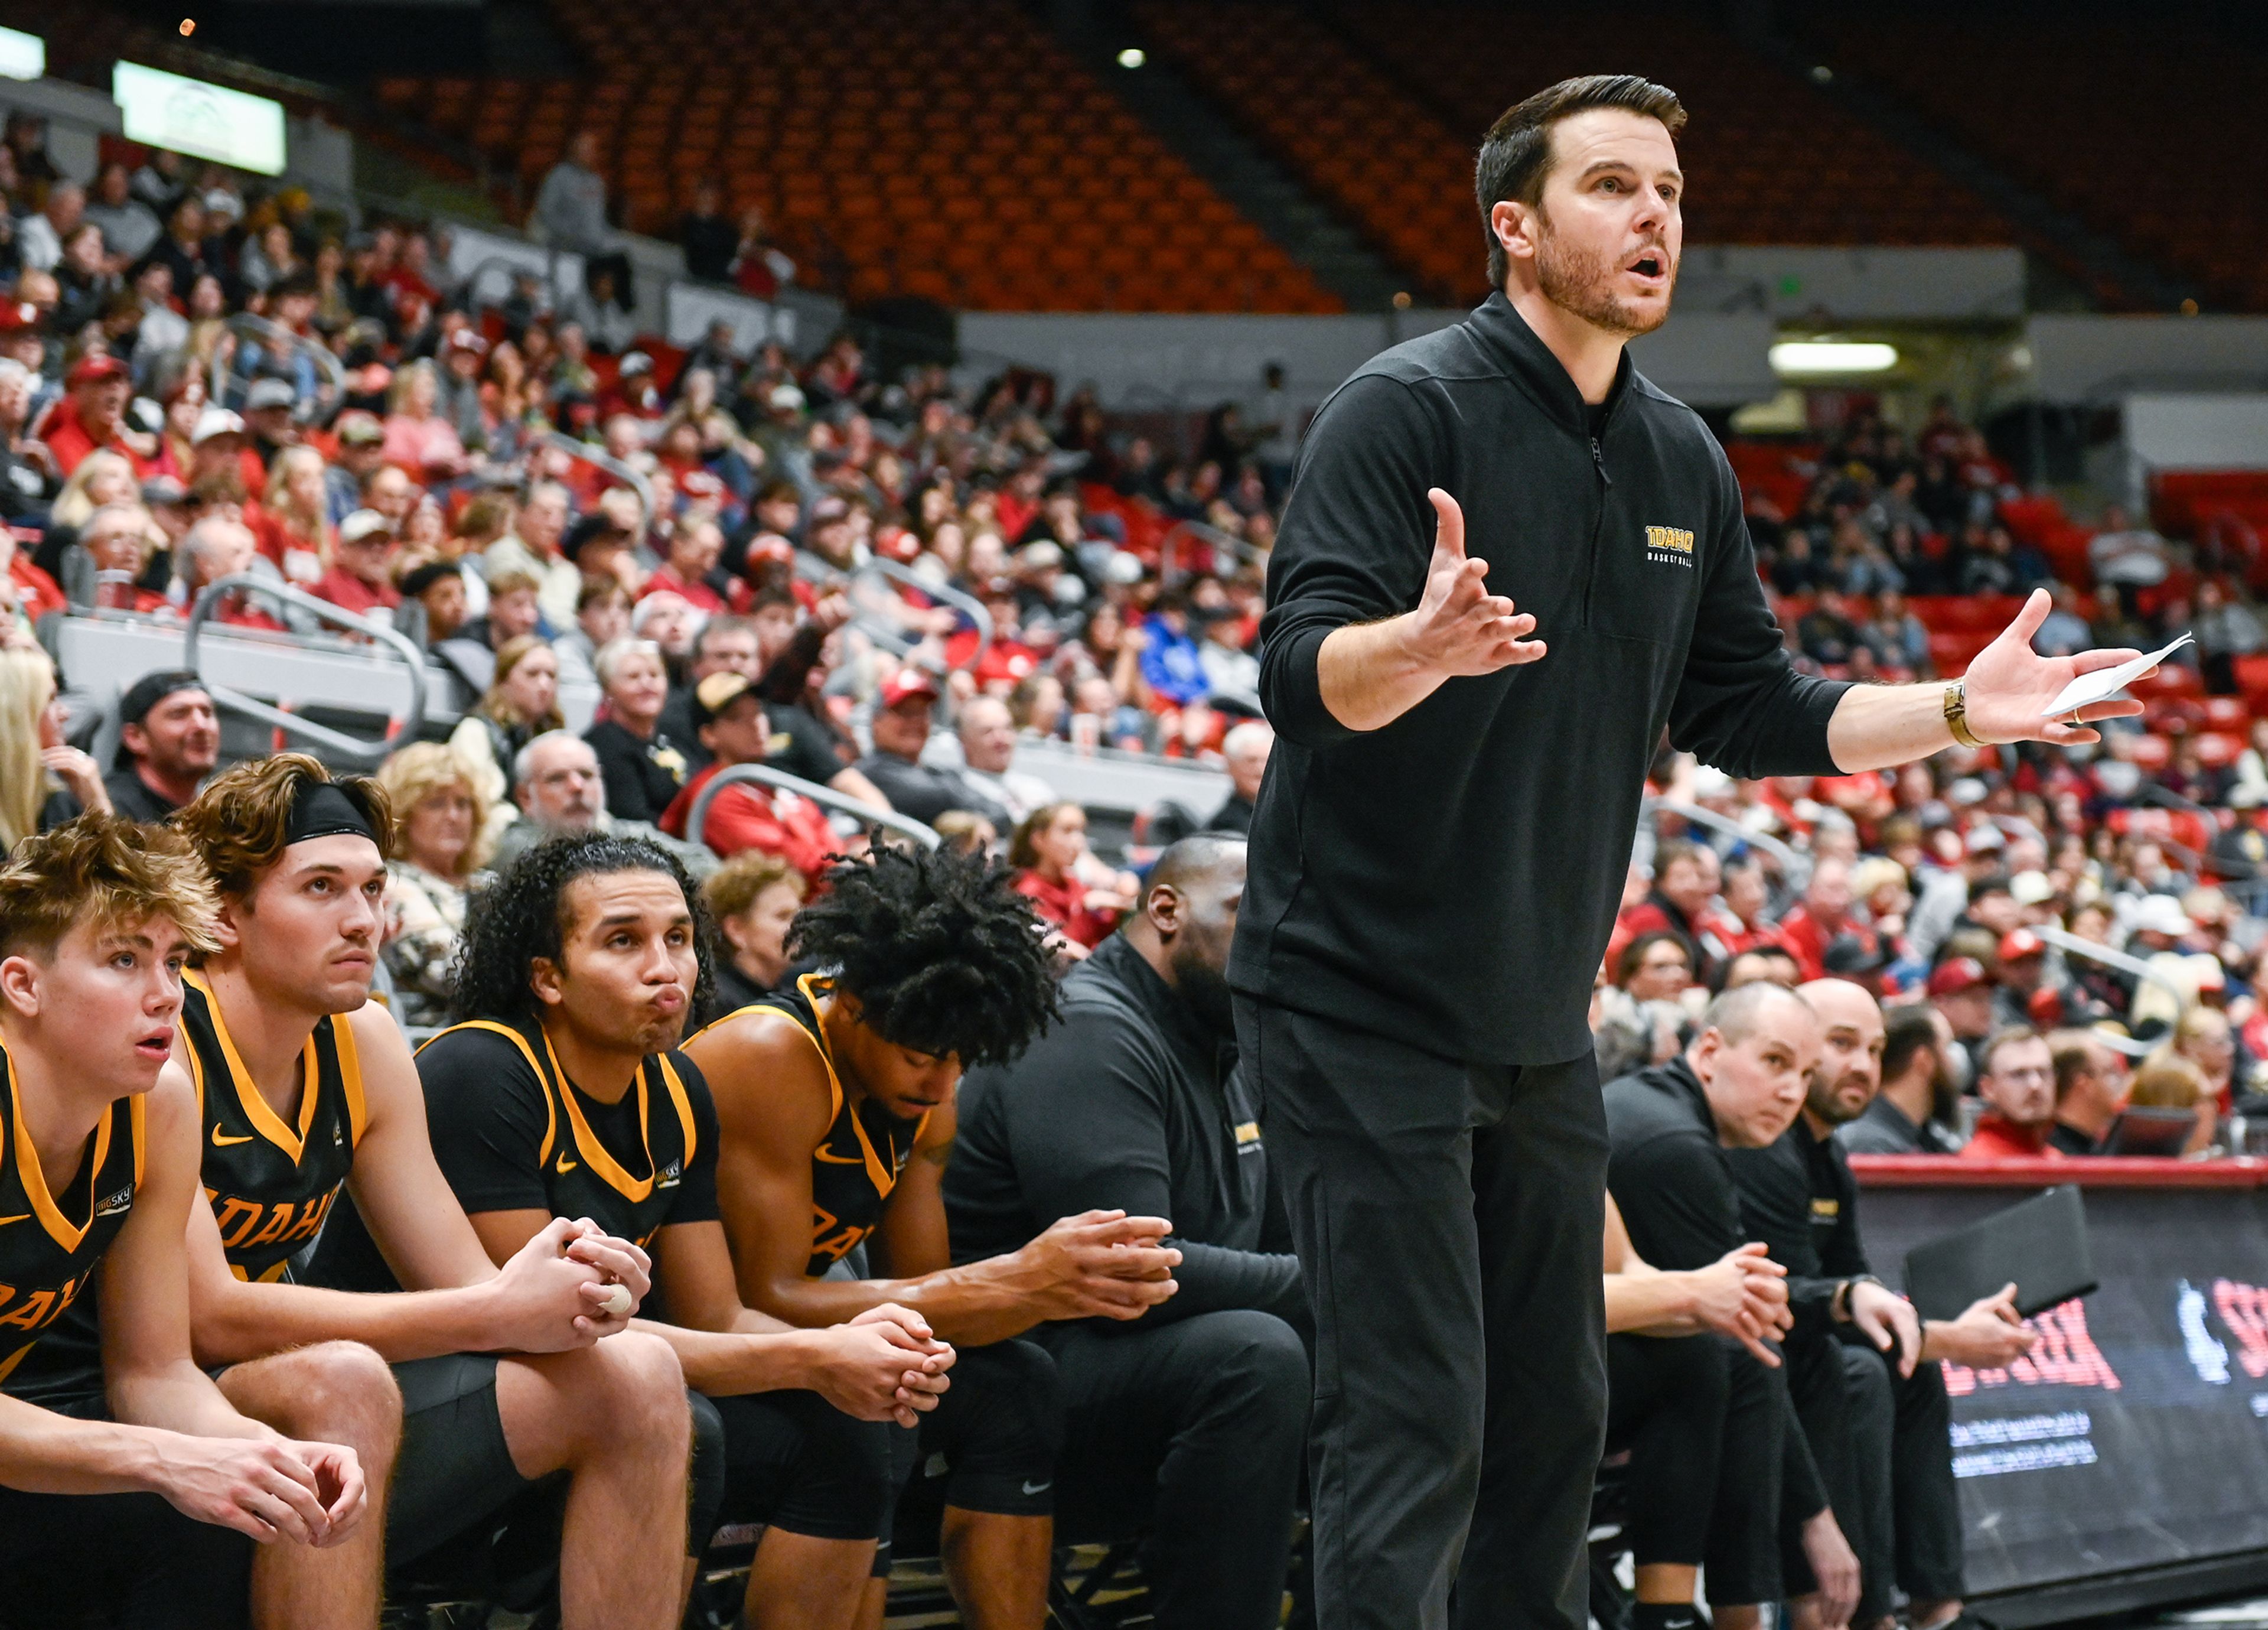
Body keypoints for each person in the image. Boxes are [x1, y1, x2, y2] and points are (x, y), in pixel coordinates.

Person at [1228, 72, 2144, 1629]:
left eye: (1666, 187)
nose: (1656, 214)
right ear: (1515, 226)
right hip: (1352, 996)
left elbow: (1753, 704)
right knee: (1416, 1415)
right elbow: (1298, 674)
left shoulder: (1677, 456)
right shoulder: (1406, 406)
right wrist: (1420, 645)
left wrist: (1958, 710)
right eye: (1611, 186)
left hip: (1537, 1020)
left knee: (1549, 1423)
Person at [169, 755, 697, 1624]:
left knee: (637, 1368)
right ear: (226, 914)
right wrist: (497, 1311)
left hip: (265, 1389)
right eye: (322, 888)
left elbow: (460, 1278)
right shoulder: (166, 1037)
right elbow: (205, 1315)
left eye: (374, 887)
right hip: (146, 1390)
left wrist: (573, 1290)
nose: (363, 919)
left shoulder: (368, 1040)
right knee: (339, 1382)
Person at [420, 832, 957, 1628]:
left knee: (856, 1427)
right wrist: (815, 1353)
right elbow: (546, 1330)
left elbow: (718, 1316)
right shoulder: (482, 1070)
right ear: (547, 977)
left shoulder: (677, 1091)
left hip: (597, 1377)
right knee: (685, 1420)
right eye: (624, 941)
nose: (664, 966)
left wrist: (863, 1351)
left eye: (679, 937)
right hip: (440, 1393)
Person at [685, 843, 1178, 1630]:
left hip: (793, 1336)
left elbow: (923, 1290)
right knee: (867, 1402)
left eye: (962, 1061)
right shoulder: (771, 1054)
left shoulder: (927, 1085)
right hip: (697, 1337)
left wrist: (1057, 1287)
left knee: (1015, 1381)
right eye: (922, 1058)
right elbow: (763, 1295)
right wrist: (1018, 1277)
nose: (944, 1085)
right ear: (851, 1006)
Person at [0, 812, 370, 1629]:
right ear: (23, 985)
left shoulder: (159, 1102)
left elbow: (154, 1370)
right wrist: (167, 1457)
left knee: (216, 1516)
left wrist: (253, 1451)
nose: (167, 991)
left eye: (173, 959)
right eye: (124, 959)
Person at [944, 837, 1312, 1629]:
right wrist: (1347, 1287)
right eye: (1249, 909)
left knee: (1405, 1362)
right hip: (1013, 1380)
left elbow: (1287, 1243)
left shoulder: (1227, 1037)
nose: (1273, 935)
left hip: (1133, 1368)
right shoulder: (1088, 1027)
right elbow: (1132, 1278)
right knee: (1256, 1354)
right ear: (1167, 908)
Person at [1729, 981, 2031, 1630]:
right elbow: (1796, 1307)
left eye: (1873, 1048)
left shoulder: (1827, 1152)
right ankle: (1867, 1616)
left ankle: (1937, 1606)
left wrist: (1931, 1337)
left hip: (1800, 1350)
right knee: (1859, 1374)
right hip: (1739, 1363)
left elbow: (1849, 1283)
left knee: (1908, 1369)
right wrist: (1949, 1335)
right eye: (1842, 1044)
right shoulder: (1761, 1146)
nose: (1864, 1065)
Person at [1603, 982, 1856, 1630]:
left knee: (1808, 1361)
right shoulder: (1675, 1146)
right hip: (1513, 1363)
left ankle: (1688, 1610)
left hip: (1576, 1344)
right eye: (1775, 1062)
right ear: (1710, 1049)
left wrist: (1848, 1298)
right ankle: (1725, 1612)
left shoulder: (1667, 1111)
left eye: (1804, 1073)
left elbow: (1636, 1277)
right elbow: (1748, 1330)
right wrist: (1819, 1523)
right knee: (1729, 1360)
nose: (1793, 1090)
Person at [1601, 1189, 1794, 1630]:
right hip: (1489, 1374)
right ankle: (1671, 1615)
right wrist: (1690, 1293)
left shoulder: (1568, 1131)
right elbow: (1529, 1300)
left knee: (1739, 1358)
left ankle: (1705, 1612)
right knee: (1694, 1360)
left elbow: (1627, 1269)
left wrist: (1727, 1298)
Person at [659, 672, 839, 883]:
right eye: (737, 717)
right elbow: (783, 865)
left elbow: (824, 832)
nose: (756, 723)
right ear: (709, 735)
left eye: (759, 712)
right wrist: (845, 866)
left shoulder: (770, 782)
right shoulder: (713, 795)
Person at [489, 729, 720, 882]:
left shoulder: (626, 834)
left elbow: (707, 869)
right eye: (557, 779)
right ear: (525, 797)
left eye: (587, 775)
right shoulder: (506, 849)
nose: (577, 787)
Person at [374, 743, 489, 1031]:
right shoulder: (391, 884)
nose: (454, 816)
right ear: (404, 815)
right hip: (429, 1044)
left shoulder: (488, 882)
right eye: (436, 804)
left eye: (463, 804)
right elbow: (454, 975)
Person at [855, 669, 1009, 828]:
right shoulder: (872, 773)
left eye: (923, 712)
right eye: (905, 712)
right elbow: (939, 799)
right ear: (876, 722)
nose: (916, 721)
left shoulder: (935, 772)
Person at [448, 633, 563, 838]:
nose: (544, 685)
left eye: (551, 676)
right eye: (532, 674)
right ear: (503, 681)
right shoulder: (476, 731)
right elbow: (480, 806)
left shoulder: (556, 739)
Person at [0, 644, 109, 844]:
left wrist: (98, 805)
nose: (65, 713)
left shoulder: (55, 800)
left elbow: (119, 874)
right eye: (50, 699)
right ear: (14, 714)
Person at [585, 636, 693, 825]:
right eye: (633, 677)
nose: (647, 684)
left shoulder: (672, 734)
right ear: (608, 691)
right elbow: (633, 819)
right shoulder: (604, 744)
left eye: (654, 675)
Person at [1837, 1005, 1961, 1156]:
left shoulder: (1929, 1136)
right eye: (1948, 1047)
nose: (1957, 1062)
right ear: (1924, 1061)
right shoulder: (1870, 1145)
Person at [1009, 802, 1130, 956]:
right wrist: (1083, 907)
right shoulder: (1029, 891)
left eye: (1081, 831)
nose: (1079, 841)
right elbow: (1060, 947)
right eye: (1067, 831)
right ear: (1039, 839)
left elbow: (1101, 937)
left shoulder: (1072, 882)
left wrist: (1118, 905)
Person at [105, 668, 220, 823]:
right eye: (179, 714)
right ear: (135, 738)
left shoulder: (219, 811)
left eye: (207, 713)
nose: (201, 726)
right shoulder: (107, 808)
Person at [699, 850, 806, 1017]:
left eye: (798, 915)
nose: (799, 926)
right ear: (736, 930)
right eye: (783, 916)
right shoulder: (716, 1005)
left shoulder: (787, 992)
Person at [1959, 1029, 2061, 1159]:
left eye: (2043, 1073)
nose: (2036, 1085)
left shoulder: (2054, 1157)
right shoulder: (1977, 1164)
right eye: (2019, 1074)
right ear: (1988, 1089)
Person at [2047, 1028, 2133, 1156]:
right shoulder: (2055, 1158)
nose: (2123, 1079)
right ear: (2084, 1083)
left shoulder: (2094, 1145)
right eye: (2110, 1072)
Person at [1203, 721, 1273, 836]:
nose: (1260, 769)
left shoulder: (1285, 813)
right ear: (1230, 767)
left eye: (1267, 761)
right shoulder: (1225, 825)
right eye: (1251, 760)